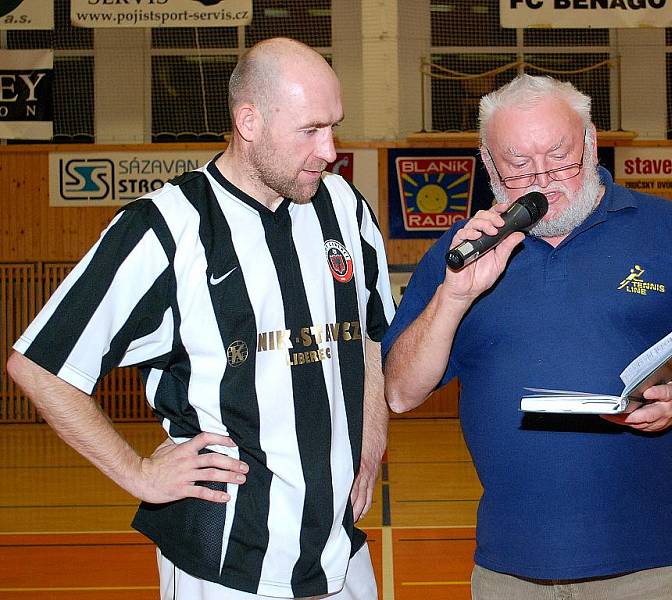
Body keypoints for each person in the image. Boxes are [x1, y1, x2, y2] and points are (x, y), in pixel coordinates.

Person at [7, 38, 394, 600]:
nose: (330, 150)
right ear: (249, 121)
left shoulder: (344, 207)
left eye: (334, 126)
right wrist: (137, 472)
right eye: (310, 130)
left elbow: (373, 334)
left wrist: (372, 438)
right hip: (224, 568)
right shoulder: (166, 228)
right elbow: (39, 364)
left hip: (340, 550)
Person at [382, 74, 672, 599]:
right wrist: (454, 297)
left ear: (591, 143)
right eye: (518, 165)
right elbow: (400, 392)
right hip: (509, 572)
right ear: (489, 166)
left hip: (652, 571)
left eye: (560, 158)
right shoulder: (462, 252)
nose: (542, 180)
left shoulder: (665, 228)